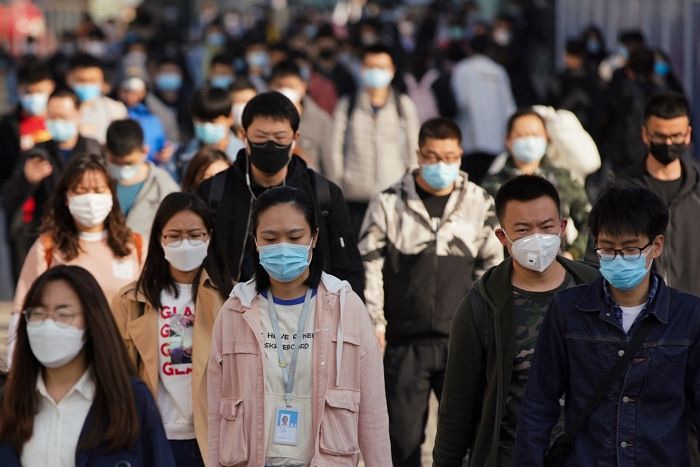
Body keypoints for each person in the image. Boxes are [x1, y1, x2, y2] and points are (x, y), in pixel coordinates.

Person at [515, 184, 700, 466]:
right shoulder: (568, 311)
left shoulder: (688, 315)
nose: (618, 258)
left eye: (629, 249)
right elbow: (539, 404)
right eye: (607, 249)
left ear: (657, 245)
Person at [207, 186, 391, 467]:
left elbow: (373, 413)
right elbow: (216, 412)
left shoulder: (346, 307)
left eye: (294, 237)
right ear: (255, 241)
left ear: (314, 237)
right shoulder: (235, 310)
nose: (282, 247)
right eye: (270, 238)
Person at [359, 118, 503, 467]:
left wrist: (483, 325)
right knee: (402, 442)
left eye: (450, 156)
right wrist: (375, 321)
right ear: (419, 155)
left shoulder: (479, 202)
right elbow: (370, 265)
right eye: (432, 156)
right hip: (404, 341)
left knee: (467, 438)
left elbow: (492, 268)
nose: (442, 165)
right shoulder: (389, 202)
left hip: (462, 340)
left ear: (461, 156)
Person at [432, 175, 598, 467]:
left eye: (546, 227)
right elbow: (457, 407)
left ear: (562, 227)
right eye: (523, 230)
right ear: (502, 237)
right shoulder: (481, 306)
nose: (537, 238)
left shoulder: (596, 291)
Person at [0, 265, 175, 466]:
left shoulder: (130, 400)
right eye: (38, 313)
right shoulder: (10, 402)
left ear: (92, 322)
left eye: (63, 314)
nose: (49, 325)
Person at [197, 91, 364, 297]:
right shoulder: (214, 192)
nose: (270, 145)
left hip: (309, 314)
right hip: (232, 311)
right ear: (243, 136)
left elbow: (347, 266)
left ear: (295, 138)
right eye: (260, 137)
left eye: (279, 138)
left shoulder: (323, 194)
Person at [112, 192, 231, 466]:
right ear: (159, 240)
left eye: (194, 234)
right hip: (154, 434)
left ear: (209, 237)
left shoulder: (230, 298)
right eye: (174, 235)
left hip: (211, 436)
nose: (185, 243)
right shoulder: (130, 301)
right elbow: (117, 371)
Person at [9, 152, 145, 360]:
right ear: (66, 196)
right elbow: (22, 309)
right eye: (81, 191)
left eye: (98, 191)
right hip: (63, 361)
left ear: (111, 195)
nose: (90, 199)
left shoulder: (134, 245)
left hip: (123, 361)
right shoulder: (48, 247)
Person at [2, 88, 102, 274]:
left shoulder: (93, 150)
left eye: (63, 116)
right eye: (52, 117)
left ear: (78, 115)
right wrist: (27, 180)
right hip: (47, 240)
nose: (58, 122)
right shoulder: (37, 153)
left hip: (86, 239)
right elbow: (8, 199)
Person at [329, 44, 420, 236]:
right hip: (354, 196)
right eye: (371, 67)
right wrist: (338, 184)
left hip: (392, 195)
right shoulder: (348, 105)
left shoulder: (403, 105)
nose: (376, 72)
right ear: (362, 69)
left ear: (392, 71)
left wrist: (410, 188)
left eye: (382, 67)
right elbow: (334, 148)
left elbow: (414, 149)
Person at [618, 93, 700, 296]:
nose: (669, 143)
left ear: (688, 134)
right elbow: (599, 255)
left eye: (676, 136)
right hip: (641, 314)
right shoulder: (622, 191)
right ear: (646, 135)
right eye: (661, 136)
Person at [481, 108, 591, 259]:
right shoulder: (492, 184)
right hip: (510, 272)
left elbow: (590, 222)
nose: (529, 141)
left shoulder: (563, 178)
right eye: (522, 136)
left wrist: (573, 253)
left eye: (535, 135)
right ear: (508, 139)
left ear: (546, 137)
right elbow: (482, 231)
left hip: (559, 268)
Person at [105, 119, 180, 238]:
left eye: (129, 163)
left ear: (144, 150)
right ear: (106, 151)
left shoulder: (163, 185)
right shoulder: (97, 182)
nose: (123, 168)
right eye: (116, 163)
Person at [451, 34, 516, 165]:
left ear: (470, 48)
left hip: (470, 139)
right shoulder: (498, 71)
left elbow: (459, 102)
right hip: (498, 139)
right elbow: (509, 107)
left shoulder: (462, 69)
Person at [268, 60, 333, 173]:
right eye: (280, 86)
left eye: (291, 86)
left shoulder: (320, 120)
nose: (285, 91)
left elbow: (329, 164)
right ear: (270, 86)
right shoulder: (261, 119)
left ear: (303, 86)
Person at [0, 57, 54, 189]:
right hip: (20, 202)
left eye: (40, 91)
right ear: (19, 89)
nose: (34, 97)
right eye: (28, 92)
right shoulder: (8, 126)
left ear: (51, 86)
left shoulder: (62, 120)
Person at [174, 87, 242, 179]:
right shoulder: (181, 156)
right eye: (202, 121)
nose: (207, 126)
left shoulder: (244, 156)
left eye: (213, 121)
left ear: (230, 118)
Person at [66, 54, 127, 144]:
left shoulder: (115, 109)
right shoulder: (59, 107)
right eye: (82, 80)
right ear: (69, 79)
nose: (87, 85)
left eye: (92, 81)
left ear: (102, 81)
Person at [117, 75, 171, 163]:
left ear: (143, 93)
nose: (130, 95)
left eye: (135, 91)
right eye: (126, 90)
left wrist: (167, 150)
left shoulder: (152, 117)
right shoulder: (113, 112)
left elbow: (162, 143)